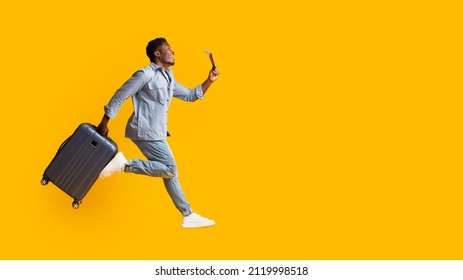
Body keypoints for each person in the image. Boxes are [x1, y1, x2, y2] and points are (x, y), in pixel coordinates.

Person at [96, 38, 219, 228]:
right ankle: (124, 165)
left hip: (157, 133)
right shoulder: (145, 74)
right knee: (170, 169)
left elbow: (189, 95)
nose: (173, 52)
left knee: (169, 172)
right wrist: (105, 120)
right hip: (144, 130)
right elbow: (122, 93)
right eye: (169, 49)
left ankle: (188, 214)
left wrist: (209, 81)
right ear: (157, 53)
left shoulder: (168, 77)